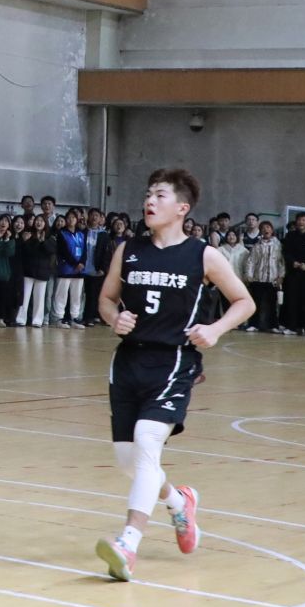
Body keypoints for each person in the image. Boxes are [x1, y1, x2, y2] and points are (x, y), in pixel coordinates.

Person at [93, 167, 256, 582]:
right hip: (128, 362)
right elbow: (106, 299)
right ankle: (179, 502)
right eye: (148, 194)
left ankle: (128, 543)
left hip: (175, 362)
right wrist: (114, 317)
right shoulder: (128, 249)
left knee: (148, 440)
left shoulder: (203, 255)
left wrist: (215, 329)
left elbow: (244, 302)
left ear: (182, 208)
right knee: (129, 461)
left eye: (160, 195)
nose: (150, 201)